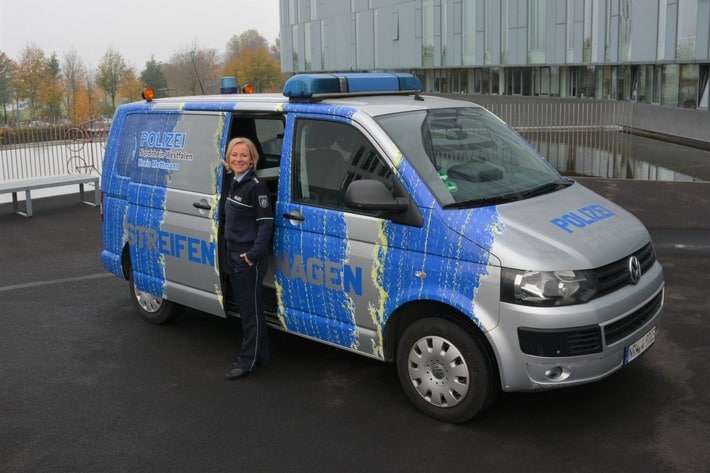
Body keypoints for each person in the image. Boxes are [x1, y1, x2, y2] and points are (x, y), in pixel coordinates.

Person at [222, 137, 274, 380]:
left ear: (253, 159)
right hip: (234, 253)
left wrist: (253, 255)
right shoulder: (235, 182)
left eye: (244, 155)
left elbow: (266, 224)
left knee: (249, 312)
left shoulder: (256, 187)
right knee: (250, 308)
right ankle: (260, 355)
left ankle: (246, 361)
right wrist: (226, 170)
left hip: (247, 258)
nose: (238, 159)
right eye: (234, 155)